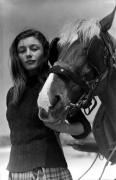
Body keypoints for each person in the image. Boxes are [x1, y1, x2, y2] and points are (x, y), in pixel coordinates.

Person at [6, 28, 91, 180]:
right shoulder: (12, 94)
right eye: (22, 50)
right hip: (16, 172)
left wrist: (61, 127)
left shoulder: (53, 88)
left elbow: (84, 127)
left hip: (48, 171)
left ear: (45, 53)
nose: (28, 54)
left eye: (34, 48)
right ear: (16, 56)